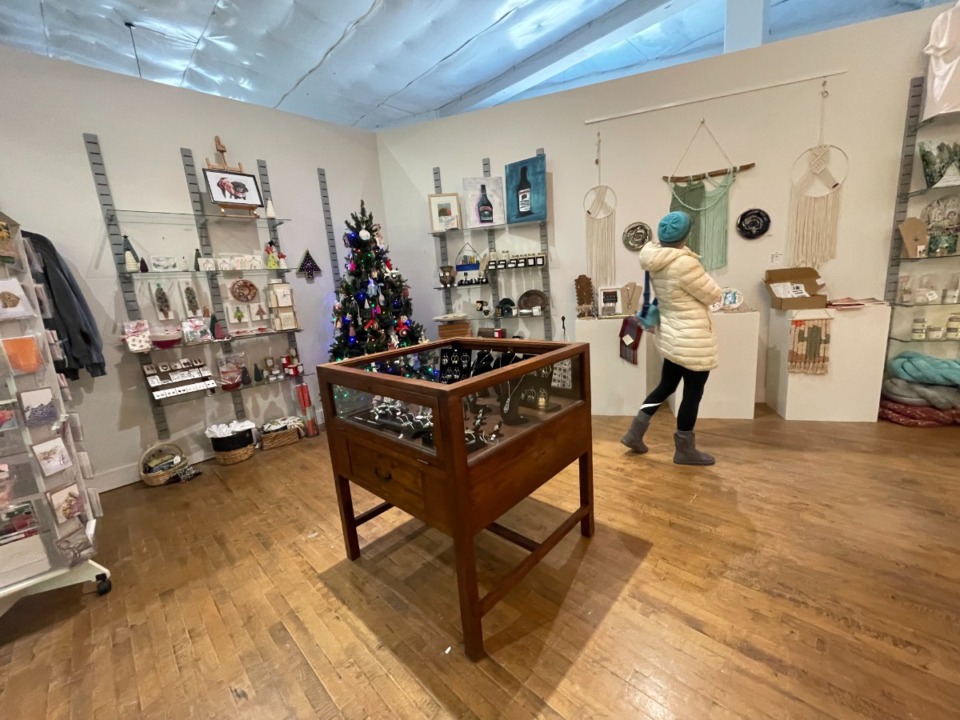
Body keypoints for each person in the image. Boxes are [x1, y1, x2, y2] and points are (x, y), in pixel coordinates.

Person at [621, 210, 722, 465]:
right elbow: (712, 295)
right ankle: (685, 450)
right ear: (686, 235)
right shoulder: (685, 262)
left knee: (665, 386)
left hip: (672, 336)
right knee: (692, 393)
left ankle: (635, 433)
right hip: (693, 340)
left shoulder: (655, 259)